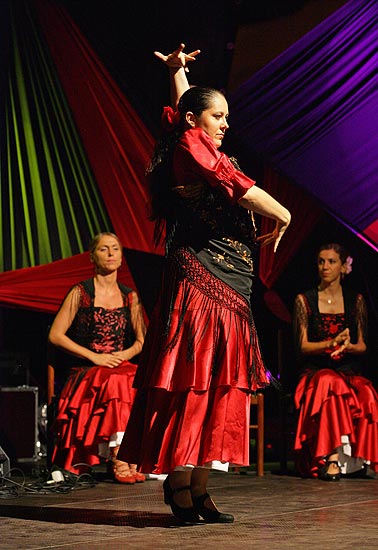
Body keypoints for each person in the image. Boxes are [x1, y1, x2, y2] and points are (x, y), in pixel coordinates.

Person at [118, 44, 291, 523]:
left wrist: (178, 73)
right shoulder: (193, 148)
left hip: (230, 280)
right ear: (196, 119)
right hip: (200, 276)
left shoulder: (196, 141)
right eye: (219, 115)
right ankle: (179, 483)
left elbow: (189, 116)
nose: (225, 123)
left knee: (218, 382)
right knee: (195, 378)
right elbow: (231, 178)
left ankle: (197, 486)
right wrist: (283, 211)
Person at [48, 232, 146, 483]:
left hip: (118, 365)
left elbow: (141, 341)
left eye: (115, 248)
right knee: (117, 382)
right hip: (86, 369)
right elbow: (56, 335)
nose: (111, 253)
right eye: (104, 249)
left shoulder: (129, 296)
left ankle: (132, 454)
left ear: (122, 257)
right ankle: (119, 457)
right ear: (92, 256)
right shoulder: (80, 292)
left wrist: (124, 353)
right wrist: (95, 357)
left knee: (135, 378)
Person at [293, 243, 378, 480]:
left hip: (346, 369)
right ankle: (330, 458)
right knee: (329, 383)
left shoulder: (356, 300)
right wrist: (330, 343)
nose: (325, 267)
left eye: (331, 261)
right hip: (315, 373)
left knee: (367, 391)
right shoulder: (305, 300)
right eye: (321, 261)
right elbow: (303, 346)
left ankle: (362, 460)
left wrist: (347, 346)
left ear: (343, 266)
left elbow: (362, 345)